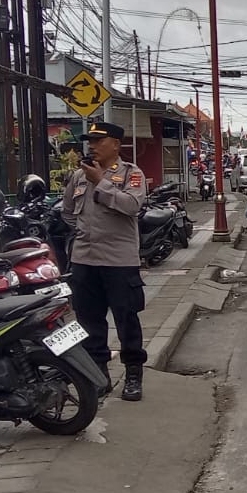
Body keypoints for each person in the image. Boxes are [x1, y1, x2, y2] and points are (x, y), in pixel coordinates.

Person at [60, 122, 148, 401]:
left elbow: (132, 206)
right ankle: (99, 376)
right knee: (88, 320)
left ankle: (133, 374)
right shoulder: (78, 176)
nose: (92, 146)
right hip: (85, 259)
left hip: (119, 260)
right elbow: (67, 212)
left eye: (99, 140)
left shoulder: (131, 174)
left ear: (116, 144)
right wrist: (84, 232)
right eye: (90, 141)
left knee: (126, 319)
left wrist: (102, 182)